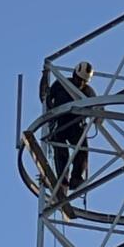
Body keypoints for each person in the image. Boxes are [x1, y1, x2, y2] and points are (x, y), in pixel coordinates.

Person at [38, 60, 96, 194]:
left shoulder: (88, 92)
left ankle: (76, 178)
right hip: (61, 122)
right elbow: (46, 98)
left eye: (83, 81)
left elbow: (96, 107)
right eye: (78, 79)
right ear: (74, 75)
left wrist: (98, 118)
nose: (80, 83)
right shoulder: (61, 84)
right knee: (60, 150)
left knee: (82, 150)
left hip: (76, 124)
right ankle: (62, 181)